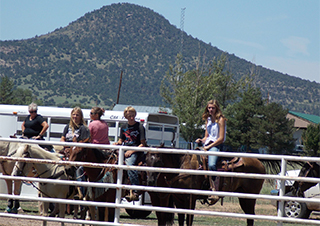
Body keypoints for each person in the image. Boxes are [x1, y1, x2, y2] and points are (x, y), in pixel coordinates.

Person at [195, 99, 226, 205]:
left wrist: (208, 147)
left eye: (212, 108)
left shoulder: (221, 120)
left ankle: (214, 189)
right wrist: (201, 140)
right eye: (209, 108)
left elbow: (220, 138)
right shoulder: (208, 120)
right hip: (207, 145)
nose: (211, 110)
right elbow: (206, 136)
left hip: (216, 145)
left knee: (212, 164)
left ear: (216, 108)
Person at [113, 106, 147, 202]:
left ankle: (136, 189)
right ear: (126, 117)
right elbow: (121, 140)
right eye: (129, 116)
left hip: (135, 150)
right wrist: (117, 143)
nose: (131, 118)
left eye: (133, 116)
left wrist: (132, 151)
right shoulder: (123, 127)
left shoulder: (140, 127)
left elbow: (142, 143)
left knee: (130, 165)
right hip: (125, 149)